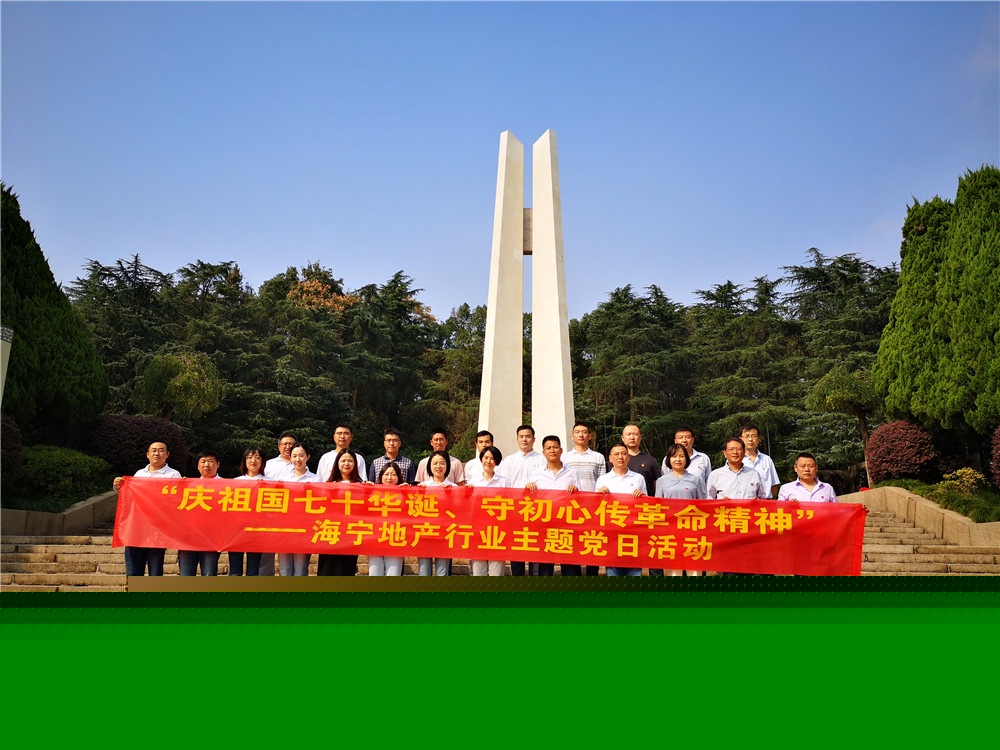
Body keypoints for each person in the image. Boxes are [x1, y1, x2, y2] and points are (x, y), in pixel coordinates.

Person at [112, 440, 182, 577]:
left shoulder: (174, 475)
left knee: (155, 573)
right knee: (133, 572)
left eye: (161, 450)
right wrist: (118, 488)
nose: (157, 453)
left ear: (167, 454)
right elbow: (130, 498)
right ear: (147, 454)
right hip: (136, 529)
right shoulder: (139, 474)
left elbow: (175, 502)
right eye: (154, 450)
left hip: (157, 531)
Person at [524, 436, 579, 576]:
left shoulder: (572, 472)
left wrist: (576, 490)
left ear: (561, 450)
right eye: (548, 448)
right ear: (543, 452)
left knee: (570, 565)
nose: (552, 450)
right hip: (543, 525)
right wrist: (529, 488)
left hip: (566, 524)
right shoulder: (536, 473)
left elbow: (580, 498)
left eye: (555, 447)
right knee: (542, 566)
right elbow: (528, 500)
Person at [496, 425, 546, 575]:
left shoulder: (542, 460)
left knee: (535, 549)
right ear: (517, 439)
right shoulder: (509, 460)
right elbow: (506, 485)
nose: (525, 439)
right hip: (515, 512)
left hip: (536, 511)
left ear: (534, 439)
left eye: (528, 436)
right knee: (516, 549)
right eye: (521, 436)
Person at [655, 443, 708, 577]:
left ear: (686, 459)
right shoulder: (662, 481)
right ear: (669, 459)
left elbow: (703, 505)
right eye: (674, 456)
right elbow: (658, 507)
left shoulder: (696, 479)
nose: (678, 459)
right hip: (670, 532)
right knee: (673, 572)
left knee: (694, 571)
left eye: (681, 456)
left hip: (692, 531)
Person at [595, 443, 646, 577]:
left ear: (628, 457)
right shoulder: (603, 479)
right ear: (610, 458)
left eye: (623, 454)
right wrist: (600, 495)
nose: (620, 457)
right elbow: (596, 507)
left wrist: (641, 496)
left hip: (633, 531)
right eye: (616, 454)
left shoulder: (638, 478)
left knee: (634, 570)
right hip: (611, 532)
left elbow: (646, 506)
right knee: (613, 571)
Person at [317, 449, 366, 576]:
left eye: (350, 461)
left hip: (349, 534)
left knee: (346, 568)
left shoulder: (362, 485)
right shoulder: (328, 484)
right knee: (327, 568)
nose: (346, 463)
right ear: (337, 463)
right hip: (330, 531)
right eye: (343, 460)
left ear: (355, 464)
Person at [177, 450, 224, 576]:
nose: (206, 465)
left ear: (218, 464)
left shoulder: (228, 487)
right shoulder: (189, 486)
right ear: (198, 466)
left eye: (210, 461)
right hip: (188, 539)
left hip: (212, 540)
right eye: (203, 462)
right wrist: (178, 487)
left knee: (208, 576)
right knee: (186, 576)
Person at [278, 443, 320, 577]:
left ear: (308, 457)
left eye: (301, 456)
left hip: (305, 529)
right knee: (284, 568)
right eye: (294, 456)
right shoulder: (282, 480)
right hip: (285, 528)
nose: (298, 459)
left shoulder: (316, 480)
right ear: (290, 458)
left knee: (301, 569)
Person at [466, 446, 508, 576]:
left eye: (492, 458)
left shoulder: (504, 482)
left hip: (498, 532)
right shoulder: (473, 482)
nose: (488, 461)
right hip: (477, 531)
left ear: (497, 461)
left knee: (496, 571)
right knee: (478, 571)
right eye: (486, 458)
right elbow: (467, 507)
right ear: (481, 459)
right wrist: (467, 492)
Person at [231, 445, 270, 576]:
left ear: (263, 461)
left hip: (257, 531)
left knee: (253, 570)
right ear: (244, 461)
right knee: (235, 570)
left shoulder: (271, 482)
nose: (253, 460)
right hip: (236, 531)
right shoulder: (235, 482)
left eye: (258, 457)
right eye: (249, 457)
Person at [418, 451, 458, 576]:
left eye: (442, 463)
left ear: (447, 466)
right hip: (425, 533)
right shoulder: (422, 486)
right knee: (424, 571)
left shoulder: (454, 487)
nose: (438, 466)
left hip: (444, 534)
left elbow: (459, 511)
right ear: (429, 466)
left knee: (442, 571)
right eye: (435, 463)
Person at [367, 461, 407, 576]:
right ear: (381, 476)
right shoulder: (373, 492)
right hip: (375, 538)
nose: (389, 478)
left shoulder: (404, 493)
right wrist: (365, 489)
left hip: (395, 538)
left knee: (393, 574)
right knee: (374, 573)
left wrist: (407, 492)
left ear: (398, 477)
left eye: (393, 474)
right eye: (386, 474)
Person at [740, 423, 780, 498]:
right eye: (747, 436)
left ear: (758, 439)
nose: (750, 439)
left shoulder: (766, 459)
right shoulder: (736, 460)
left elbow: (774, 486)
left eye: (753, 436)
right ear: (741, 439)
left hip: (764, 503)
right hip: (743, 503)